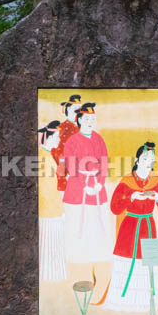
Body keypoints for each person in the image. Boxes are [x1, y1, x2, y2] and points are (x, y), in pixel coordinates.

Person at [100, 142, 158, 312]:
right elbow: (115, 207)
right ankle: (122, 302)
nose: (149, 161)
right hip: (130, 228)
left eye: (152, 159)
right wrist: (131, 196)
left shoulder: (156, 180)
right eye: (145, 158)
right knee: (126, 262)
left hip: (148, 226)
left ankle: (146, 304)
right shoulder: (127, 181)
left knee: (147, 265)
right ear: (137, 159)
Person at [58, 103, 112, 265]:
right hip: (78, 187)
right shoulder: (72, 141)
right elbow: (71, 166)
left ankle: (98, 255)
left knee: (97, 220)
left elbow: (104, 161)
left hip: (97, 185)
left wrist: (100, 183)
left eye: (93, 119)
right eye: (87, 118)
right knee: (77, 222)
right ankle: (76, 256)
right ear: (79, 120)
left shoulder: (98, 138)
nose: (90, 121)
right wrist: (84, 186)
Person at [37, 121, 67, 281]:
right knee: (50, 246)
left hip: (49, 210)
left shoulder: (46, 157)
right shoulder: (45, 159)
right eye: (55, 137)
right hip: (49, 212)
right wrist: (60, 210)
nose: (58, 140)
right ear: (46, 138)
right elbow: (48, 191)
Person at [51, 94, 82, 192]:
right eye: (74, 110)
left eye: (78, 110)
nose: (77, 113)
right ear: (67, 111)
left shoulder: (81, 127)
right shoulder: (63, 126)